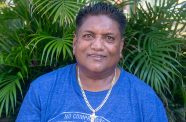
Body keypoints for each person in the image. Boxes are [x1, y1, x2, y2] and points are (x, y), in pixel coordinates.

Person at [16, 2, 168, 122]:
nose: (97, 46)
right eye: (88, 36)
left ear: (120, 46)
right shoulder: (43, 89)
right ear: (75, 42)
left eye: (109, 38)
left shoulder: (145, 99)